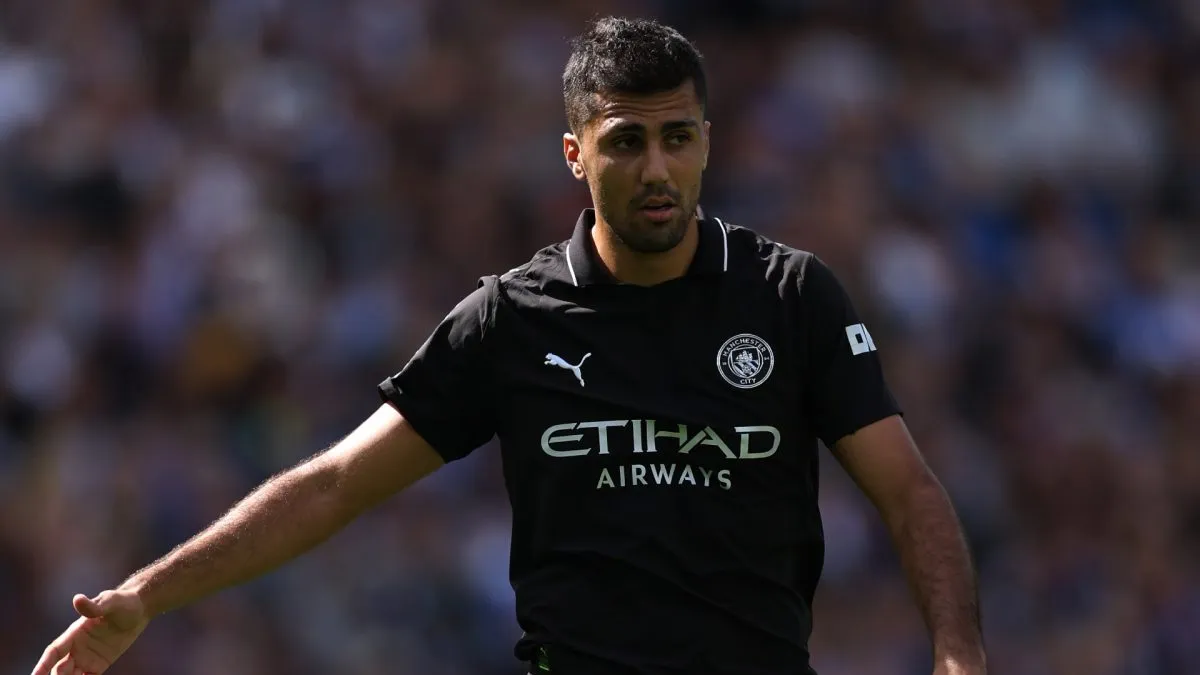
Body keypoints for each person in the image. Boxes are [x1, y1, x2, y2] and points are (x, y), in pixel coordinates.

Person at [32, 16, 986, 675]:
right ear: (575, 152)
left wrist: (958, 654)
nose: (656, 168)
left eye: (677, 137)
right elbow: (333, 484)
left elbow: (908, 493)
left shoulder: (792, 297)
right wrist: (148, 595)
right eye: (624, 142)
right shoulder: (512, 318)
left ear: (707, 141)